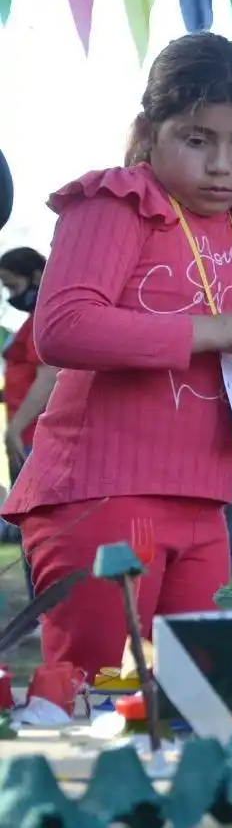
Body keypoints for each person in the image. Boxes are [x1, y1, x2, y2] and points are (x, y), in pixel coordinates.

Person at [0, 33, 232, 679]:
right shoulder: (117, 202)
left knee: (200, 697)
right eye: (197, 140)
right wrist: (219, 329)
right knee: (93, 693)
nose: (222, 165)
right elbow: (64, 327)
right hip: (103, 496)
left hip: (205, 505)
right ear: (149, 130)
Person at [0, 247, 55, 600]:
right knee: (31, 529)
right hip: (27, 435)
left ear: (36, 276)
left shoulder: (44, 318)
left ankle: (45, 610)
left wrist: (14, 428)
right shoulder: (33, 318)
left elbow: (48, 376)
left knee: (39, 530)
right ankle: (42, 608)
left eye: (11, 284)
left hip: (34, 438)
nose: (10, 294)